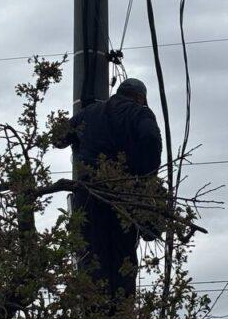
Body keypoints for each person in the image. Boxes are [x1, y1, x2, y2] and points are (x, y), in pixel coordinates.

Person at [54, 78, 162, 299]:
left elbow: (58, 137)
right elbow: (150, 138)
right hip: (122, 196)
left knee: (92, 256)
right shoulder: (140, 113)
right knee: (121, 260)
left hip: (89, 195)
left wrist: (78, 140)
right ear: (140, 97)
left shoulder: (90, 112)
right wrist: (145, 176)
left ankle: (94, 318)